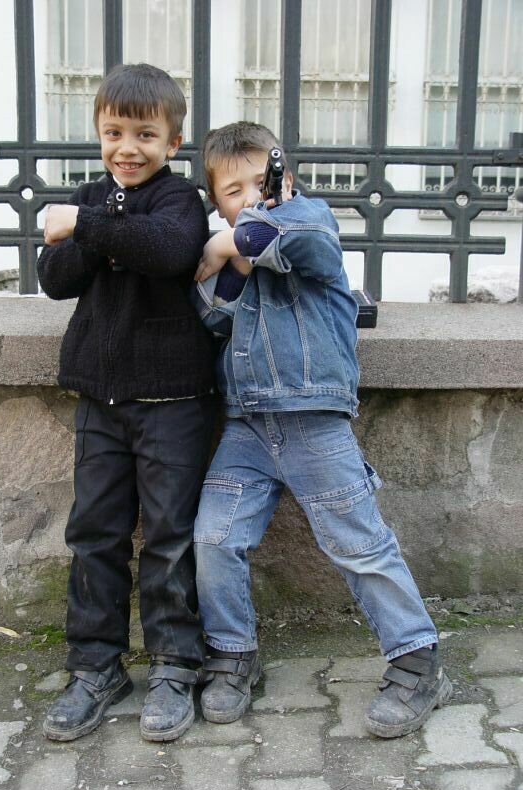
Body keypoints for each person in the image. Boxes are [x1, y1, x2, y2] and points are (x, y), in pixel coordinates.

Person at [191, 121, 451, 738]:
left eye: (264, 182)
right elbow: (209, 316)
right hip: (248, 427)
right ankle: (233, 654)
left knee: (359, 544)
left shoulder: (311, 219)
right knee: (213, 538)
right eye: (234, 190)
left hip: (312, 421)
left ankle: (417, 661)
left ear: (288, 180)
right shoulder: (236, 259)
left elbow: (283, 237)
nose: (252, 197)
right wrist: (228, 264)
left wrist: (228, 243)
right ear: (216, 202)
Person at [37, 63, 216, 743]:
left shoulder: (180, 201)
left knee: (170, 536)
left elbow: (168, 251)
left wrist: (89, 225)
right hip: (101, 402)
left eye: (145, 134)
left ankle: (174, 664)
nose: (128, 148)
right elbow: (56, 277)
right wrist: (97, 226)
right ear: (99, 133)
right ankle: (95, 667)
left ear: (173, 142)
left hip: (173, 401)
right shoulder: (91, 196)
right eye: (114, 133)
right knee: (95, 534)